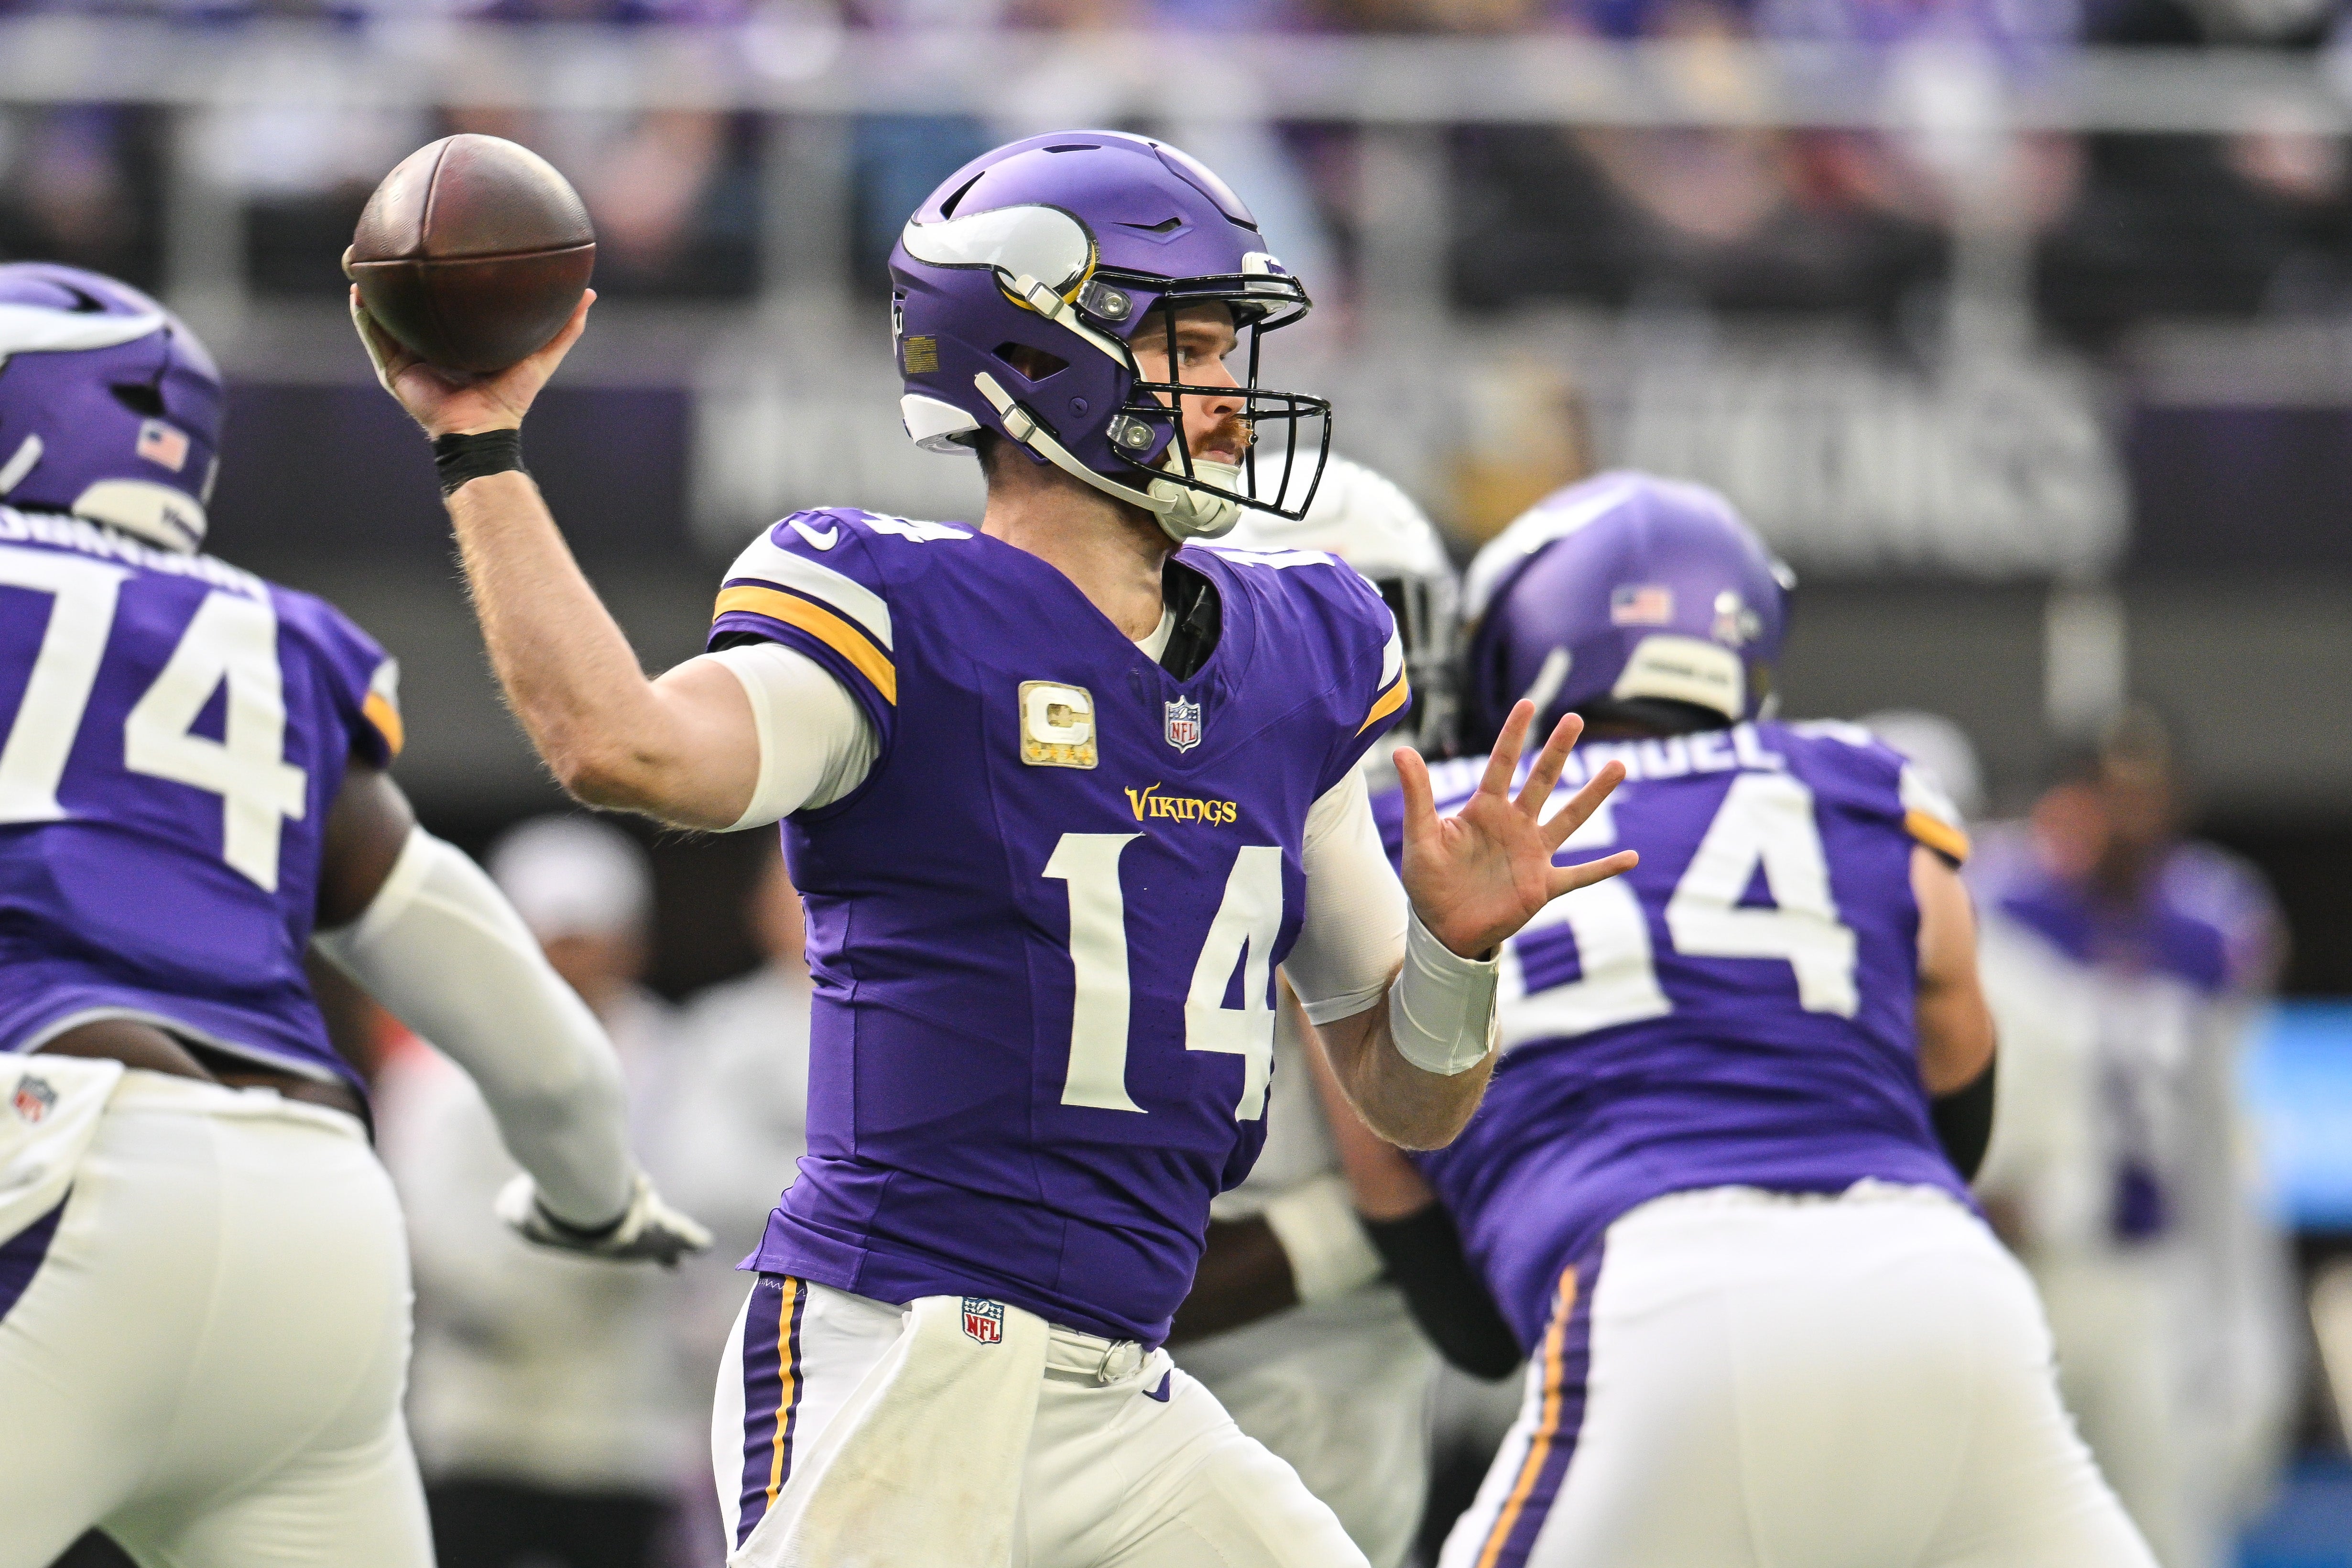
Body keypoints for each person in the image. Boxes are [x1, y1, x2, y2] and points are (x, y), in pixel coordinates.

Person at [349, 129, 1636, 1568]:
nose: (1231, 398)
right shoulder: (899, 612)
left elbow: (1413, 1101)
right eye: (1193, 348)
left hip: (1128, 1389)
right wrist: (479, 446)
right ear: (1042, 359)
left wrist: (1457, 951)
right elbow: (625, 747)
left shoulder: (1301, 653)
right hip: (903, 1358)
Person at [0, 263, 706, 1568]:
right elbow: (517, 1023)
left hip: (55, 1180)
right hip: (313, 1224)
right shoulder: (267, 641)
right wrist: (598, 1196)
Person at [1335, 469, 2160, 1568]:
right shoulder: (1871, 786)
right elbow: (1956, 1117)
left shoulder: (1407, 833)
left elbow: (1457, 1302)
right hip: (1943, 1286)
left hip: (1657, 1296)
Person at [1164, 456, 1458, 1568]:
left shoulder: (1436, 863)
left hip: (1347, 1484)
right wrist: (1364, 1232)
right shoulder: (1111, 842)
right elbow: (1053, 1261)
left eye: (1370, 637)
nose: (1345, 683)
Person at [1971, 713, 2297, 1568]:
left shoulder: (2210, 922)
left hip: (2145, 1267)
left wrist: (2244, 1328)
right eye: (2111, 800)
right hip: (2017, 1270)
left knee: (2165, 1522)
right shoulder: (1995, 910)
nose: (2130, 823)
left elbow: (2219, 1143)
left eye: (2149, 801)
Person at [375, 815, 697, 1568]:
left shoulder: (676, 1060)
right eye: (555, 937)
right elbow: (429, 1231)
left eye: (590, 937)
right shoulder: (440, 1064)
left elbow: (698, 1211)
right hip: (479, 1428)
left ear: (632, 942)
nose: (573, 959)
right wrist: (587, 1263)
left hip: (626, 1435)